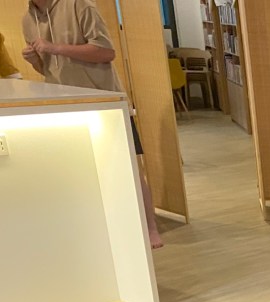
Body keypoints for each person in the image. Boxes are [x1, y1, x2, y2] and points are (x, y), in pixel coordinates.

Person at [22, 0, 164, 248]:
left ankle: (150, 227)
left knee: (130, 167)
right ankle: (104, 229)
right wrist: (34, 59)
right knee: (84, 171)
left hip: (105, 101)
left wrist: (55, 47)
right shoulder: (28, 19)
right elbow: (47, 69)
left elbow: (106, 52)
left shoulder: (80, 5)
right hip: (64, 105)